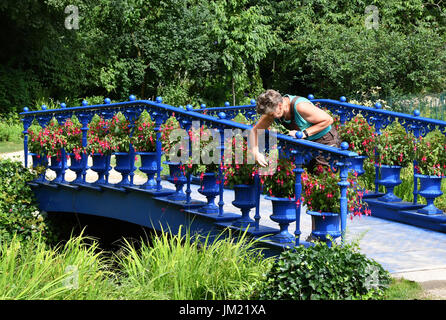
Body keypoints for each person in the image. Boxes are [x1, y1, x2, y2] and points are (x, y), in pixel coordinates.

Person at [249, 89, 340, 172]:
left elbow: (328, 120)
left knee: (323, 175)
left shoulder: (300, 106)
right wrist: (255, 153)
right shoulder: (272, 110)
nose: (270, 117)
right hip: (308, 143)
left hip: (325, 140)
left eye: (272, 115)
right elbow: (255, 131)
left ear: (280, 105)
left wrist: (304, 133)